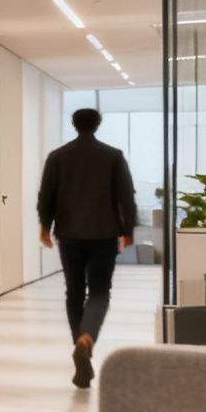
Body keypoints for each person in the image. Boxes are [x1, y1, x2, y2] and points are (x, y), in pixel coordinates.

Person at [37, 107, 136, 389]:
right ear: (97, 124)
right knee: (100, 291)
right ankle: (86, 338)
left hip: (69, 234)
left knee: (74, 291)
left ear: (74, 124)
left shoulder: (57, 157)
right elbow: (125, 195)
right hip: (104, 234)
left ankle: (80, 345)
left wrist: (45, 225)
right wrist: (127, 230)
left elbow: (46, 195)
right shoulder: (113, 156)